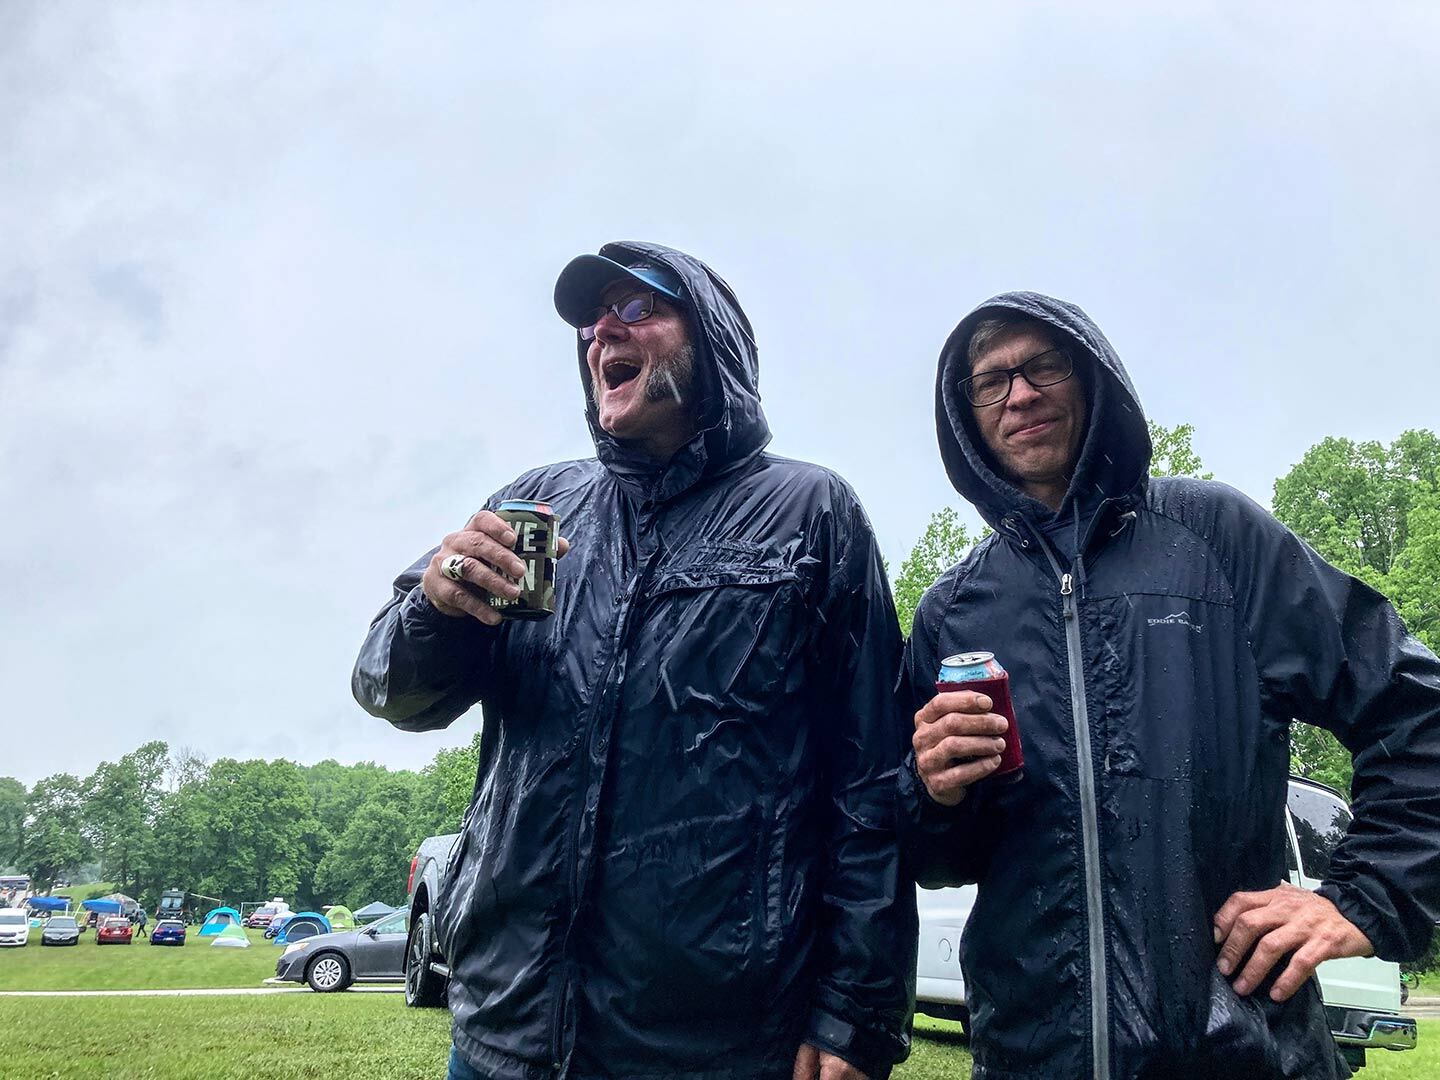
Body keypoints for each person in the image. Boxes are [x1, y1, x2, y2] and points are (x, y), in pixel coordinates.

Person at [354, 242, 915, 1080]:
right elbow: (392, 691)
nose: (600, 331)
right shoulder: (537, 502)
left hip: (716, 1042)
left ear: (713, 340)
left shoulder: (811, 513)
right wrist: (437, 605)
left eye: (639, 308)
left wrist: (854, 1013)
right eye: (592, 320)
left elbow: (872, 779)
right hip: (508, 1028)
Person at [897, 291, 1440, 1079]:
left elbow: (1414, 710)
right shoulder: (953, 610)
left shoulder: (1218, 539)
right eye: (992, 380)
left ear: (1091, 378)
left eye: (1043, 366)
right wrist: (932, 792)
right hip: (1031, 1056)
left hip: (1240, 1051)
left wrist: (1362, 898)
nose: (1019, 393)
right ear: (966, 413)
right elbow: (937, 857)